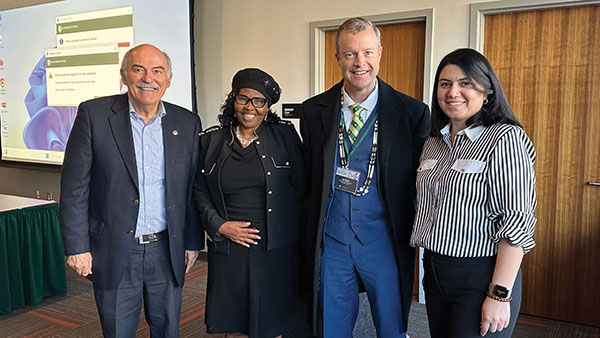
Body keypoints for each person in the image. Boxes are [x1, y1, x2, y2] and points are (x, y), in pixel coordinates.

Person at [59, 44, 203, 337]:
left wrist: (191, 241)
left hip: (166, 248)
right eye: (138, 69)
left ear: (169, 79)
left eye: (157, 71)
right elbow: (75, 187)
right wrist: (77, 247)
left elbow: (189, 188)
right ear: (124, 75)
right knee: (118, 331)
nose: (147, 78)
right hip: (114, 248)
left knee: (167, 330)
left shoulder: (186, 122)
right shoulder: (95, 115)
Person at [299, 17, 430, 337]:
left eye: (368, 52)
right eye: (350, 54)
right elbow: (308, 180)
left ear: (380, 53)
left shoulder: (412, 113)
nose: (360, 62)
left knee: (391, 325)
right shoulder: (313, 110)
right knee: (332, 324)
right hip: (333, 242)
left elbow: (421, 182)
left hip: (384, 241)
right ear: (337, 58)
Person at [410, 48, 537, 337]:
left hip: (482, 276)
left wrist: (500, 294)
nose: (453, 91)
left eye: (465, 83)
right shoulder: (433, 144)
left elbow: (516, 221)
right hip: (435, 270)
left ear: (487, 91)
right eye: (445, 83)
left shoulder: (504, 139)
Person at [193, 68, 305, 338]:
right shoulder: (210, 141)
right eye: (243, 98)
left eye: (259, 101)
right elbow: (198, 190)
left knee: (273, 318)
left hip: (275, 245)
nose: (250, 107)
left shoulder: (285, 137)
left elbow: (302, 187)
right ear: (233, 100)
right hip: (230, 246)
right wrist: (219, 226)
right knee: (234, 319)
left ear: (267, 106)